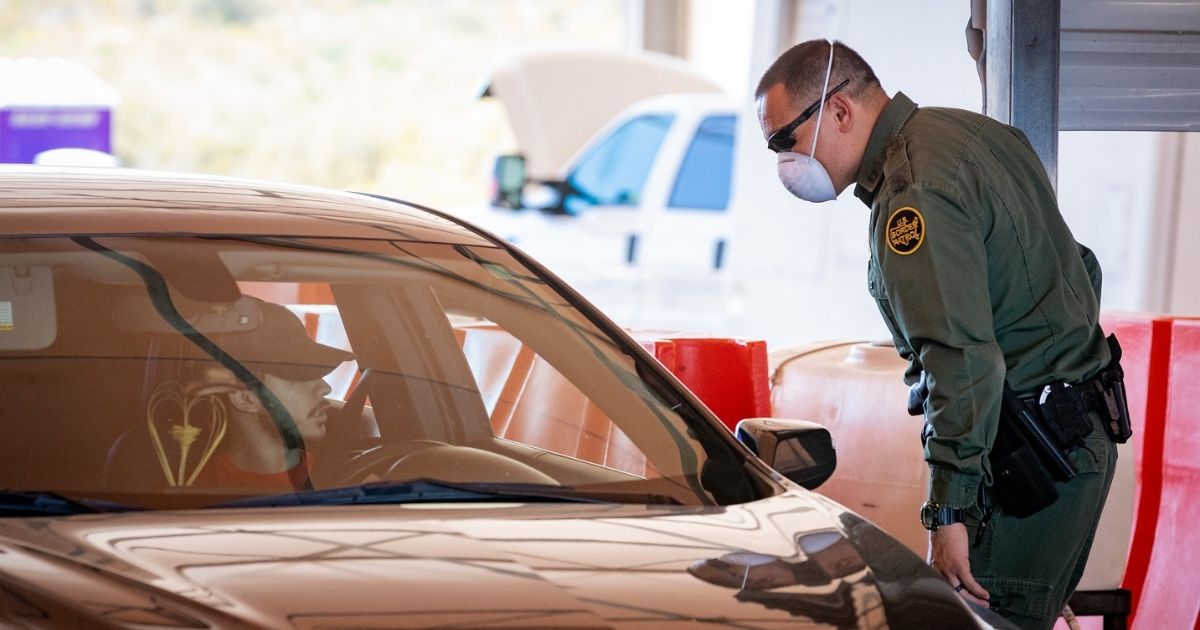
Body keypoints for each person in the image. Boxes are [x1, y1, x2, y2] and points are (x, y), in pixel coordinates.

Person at [754, 39, 1119, 630]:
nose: (782, 164)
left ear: (839, 112)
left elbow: (961, 362)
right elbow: (1081, 268)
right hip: (1072, 447)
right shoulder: (976, 136)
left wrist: (948, 512)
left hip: (1028, 465)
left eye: (783, 141)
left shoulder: (913, 193)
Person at [127, 297, 355, 492]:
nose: (325, 388)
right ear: (244, 398)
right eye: (299, 375)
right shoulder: (195, 494)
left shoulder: (352, 480)